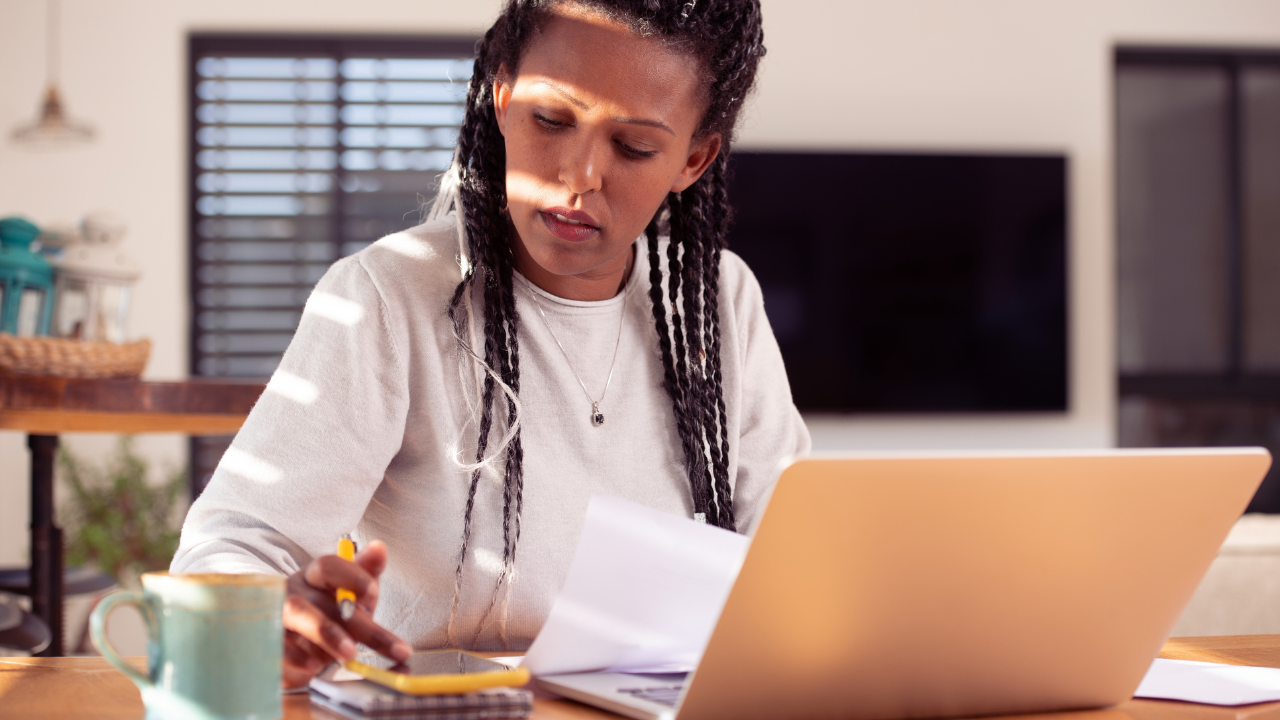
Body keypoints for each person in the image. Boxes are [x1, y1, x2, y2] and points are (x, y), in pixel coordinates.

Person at [171, 0, 810, 689]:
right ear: (501, 99)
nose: (579, 176)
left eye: (634, 147)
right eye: (550, 120)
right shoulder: (389, 296)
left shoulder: (718, 300)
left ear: (693, 158)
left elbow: (796, 557)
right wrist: (266, 616)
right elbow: (233, 542)